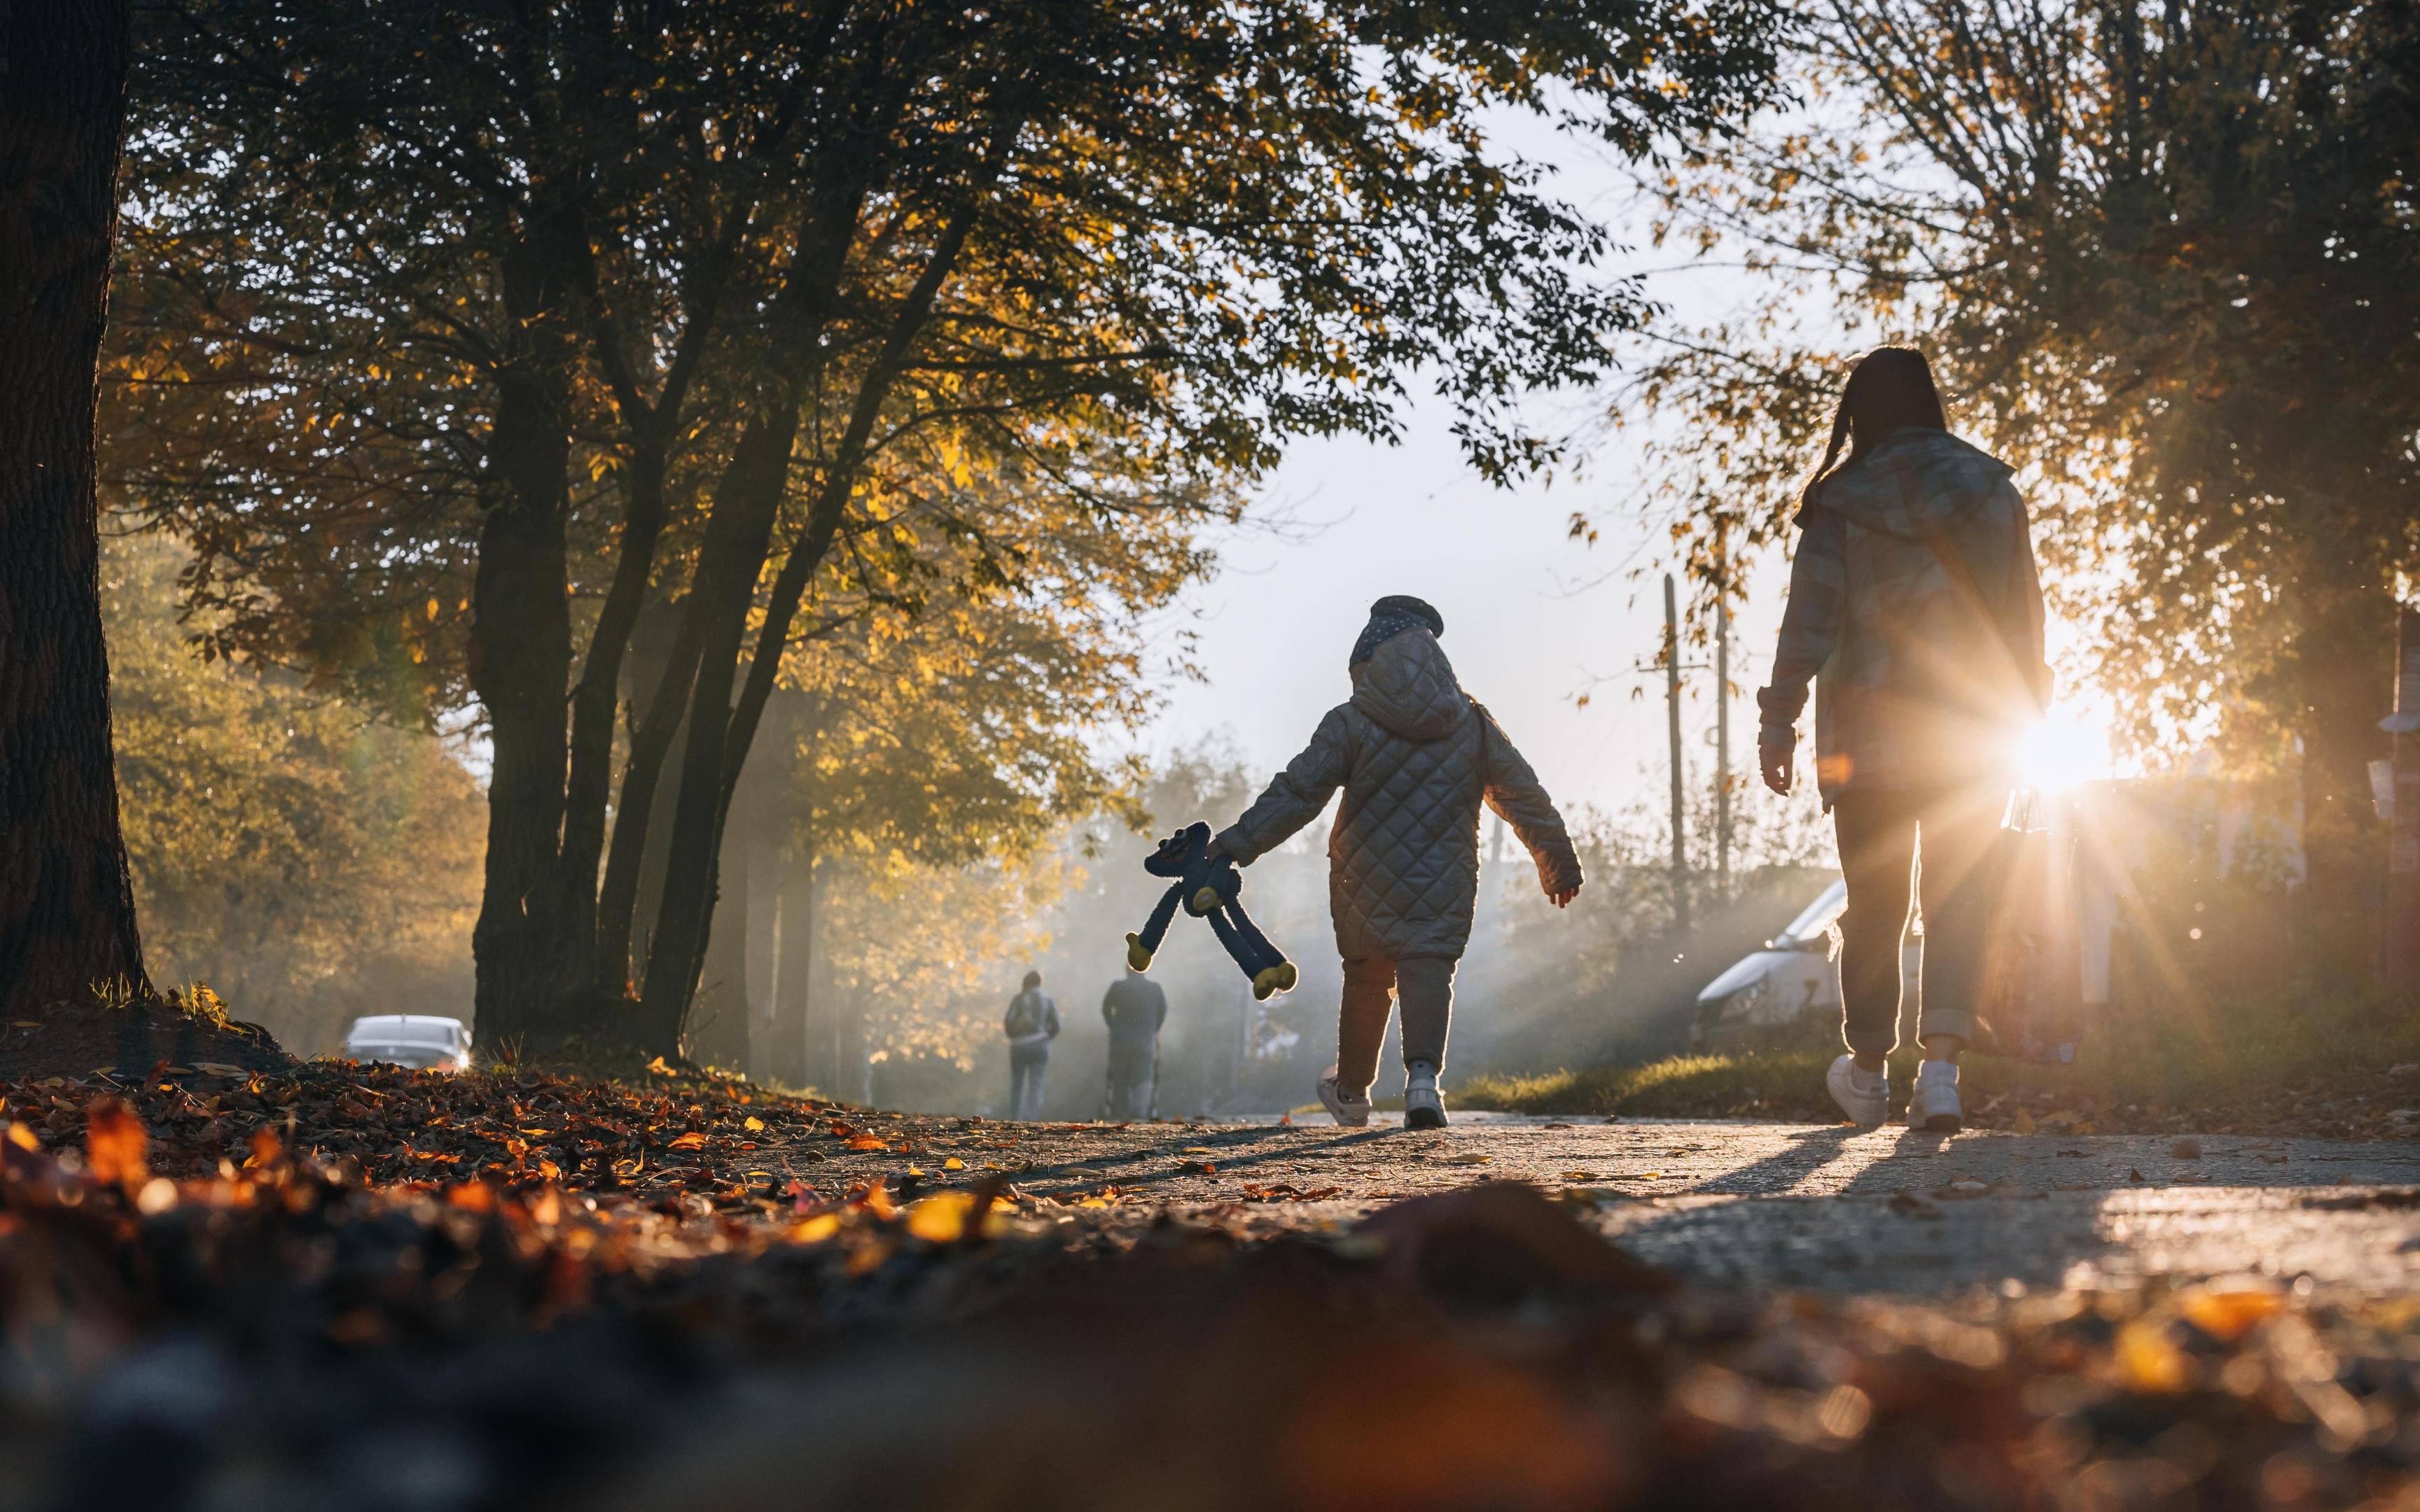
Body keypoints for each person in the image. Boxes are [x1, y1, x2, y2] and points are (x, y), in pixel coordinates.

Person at [1756, 346, 2051, 1133]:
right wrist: (2031, 728)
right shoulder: (1992, 489)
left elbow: (1808, 623)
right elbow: (2025, 619)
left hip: (1868, 742)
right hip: (1972, 741)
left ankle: (1866, 1072)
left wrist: (1778, 719)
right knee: (1961, 901)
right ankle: (1942, 1074)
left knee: (1875, 908)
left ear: (1865, 413)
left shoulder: (1841, 502)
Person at [1212, 595, 1583, 1129]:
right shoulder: (1473, 723)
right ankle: (1424, 1083)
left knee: (1366, 977)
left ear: (1367, 664)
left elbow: (1296, 794)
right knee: (1428, 966)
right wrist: (1558, 862)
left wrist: (1234, 845)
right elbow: (1523, 795)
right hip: (1446, 878)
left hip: (1365, 877)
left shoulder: (1350, 721)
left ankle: (1353, 1092)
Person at [1099, 967, 1168, 1120]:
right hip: (1145, 1040)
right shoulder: (1155, 988)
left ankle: (1121, 1115)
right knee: (1143, 1077)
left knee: (1120, 1078)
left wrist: (1114, 1027)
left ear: (1126, 970)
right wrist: (1153, 1030)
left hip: (1120, 1040)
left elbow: (1105, 1009)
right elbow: (1163, 1011)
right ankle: (1140, 1115)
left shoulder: (1117, 986)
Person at [1002, 969, 1059, 1120]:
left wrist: (1013, 1037)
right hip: (1040, 1045)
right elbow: (1056, 1025)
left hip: (1019, 1046)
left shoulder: (1019, 999)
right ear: (1040, 983)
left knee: (1018, 1083)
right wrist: (1047, 1038)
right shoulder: (1047, 1000)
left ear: (1025, 983)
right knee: (1036, 1083)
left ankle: (1015, 1117)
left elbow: (1008, 1021)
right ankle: (1032, 1118)